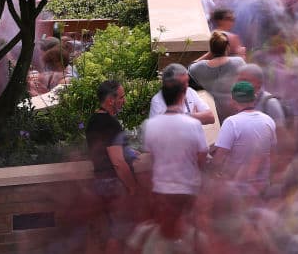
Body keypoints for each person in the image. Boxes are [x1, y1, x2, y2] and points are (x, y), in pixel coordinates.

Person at [141, 76, 209, 243]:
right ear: (182, 96)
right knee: (187, 230)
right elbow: (202, 154)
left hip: (161, 187)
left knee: (165, 231)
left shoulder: (150, 125)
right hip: (187, 186)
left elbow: (151, 155)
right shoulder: (192, 124)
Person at [85, 80, 137, 253]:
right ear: (110, 100)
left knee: (110, 231)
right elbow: (118, 162)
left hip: (100, 183)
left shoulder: (93, 121)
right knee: (118, 233)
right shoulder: (110, 124)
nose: (124, 100)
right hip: (114, 184)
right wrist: (132, 187)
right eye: (121, 97)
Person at [211, 81, 277, 196]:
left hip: (237, 191)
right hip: (262, 187)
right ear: (254, 98)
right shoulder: (269, 120)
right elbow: (273, 152)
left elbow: (218, 160)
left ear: (233, 100)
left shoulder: (231, 123)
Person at [189, 31, 247, 122]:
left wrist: (209, 54)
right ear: (227, 47)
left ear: (211, 48)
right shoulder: (238, 62)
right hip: (237, 114)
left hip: (216, 115)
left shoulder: (199, 68)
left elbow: (190, 66)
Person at [149, 63, 215, 125]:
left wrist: (187, 116)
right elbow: (161, 127)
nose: (186, 85)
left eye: (187, 82)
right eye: (183, 83)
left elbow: (210, 117)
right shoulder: (157, 100)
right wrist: (195, 116)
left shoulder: (190, 92)